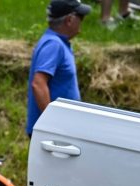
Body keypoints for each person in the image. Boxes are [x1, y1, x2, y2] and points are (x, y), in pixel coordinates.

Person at [26, 0, 91, 137]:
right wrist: (51, 124)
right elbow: (38, 84)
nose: (82, 21)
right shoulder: (53, 45)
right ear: (69, 20)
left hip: (58, 131)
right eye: (81, 17)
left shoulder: (56, 42)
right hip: (53, 134)